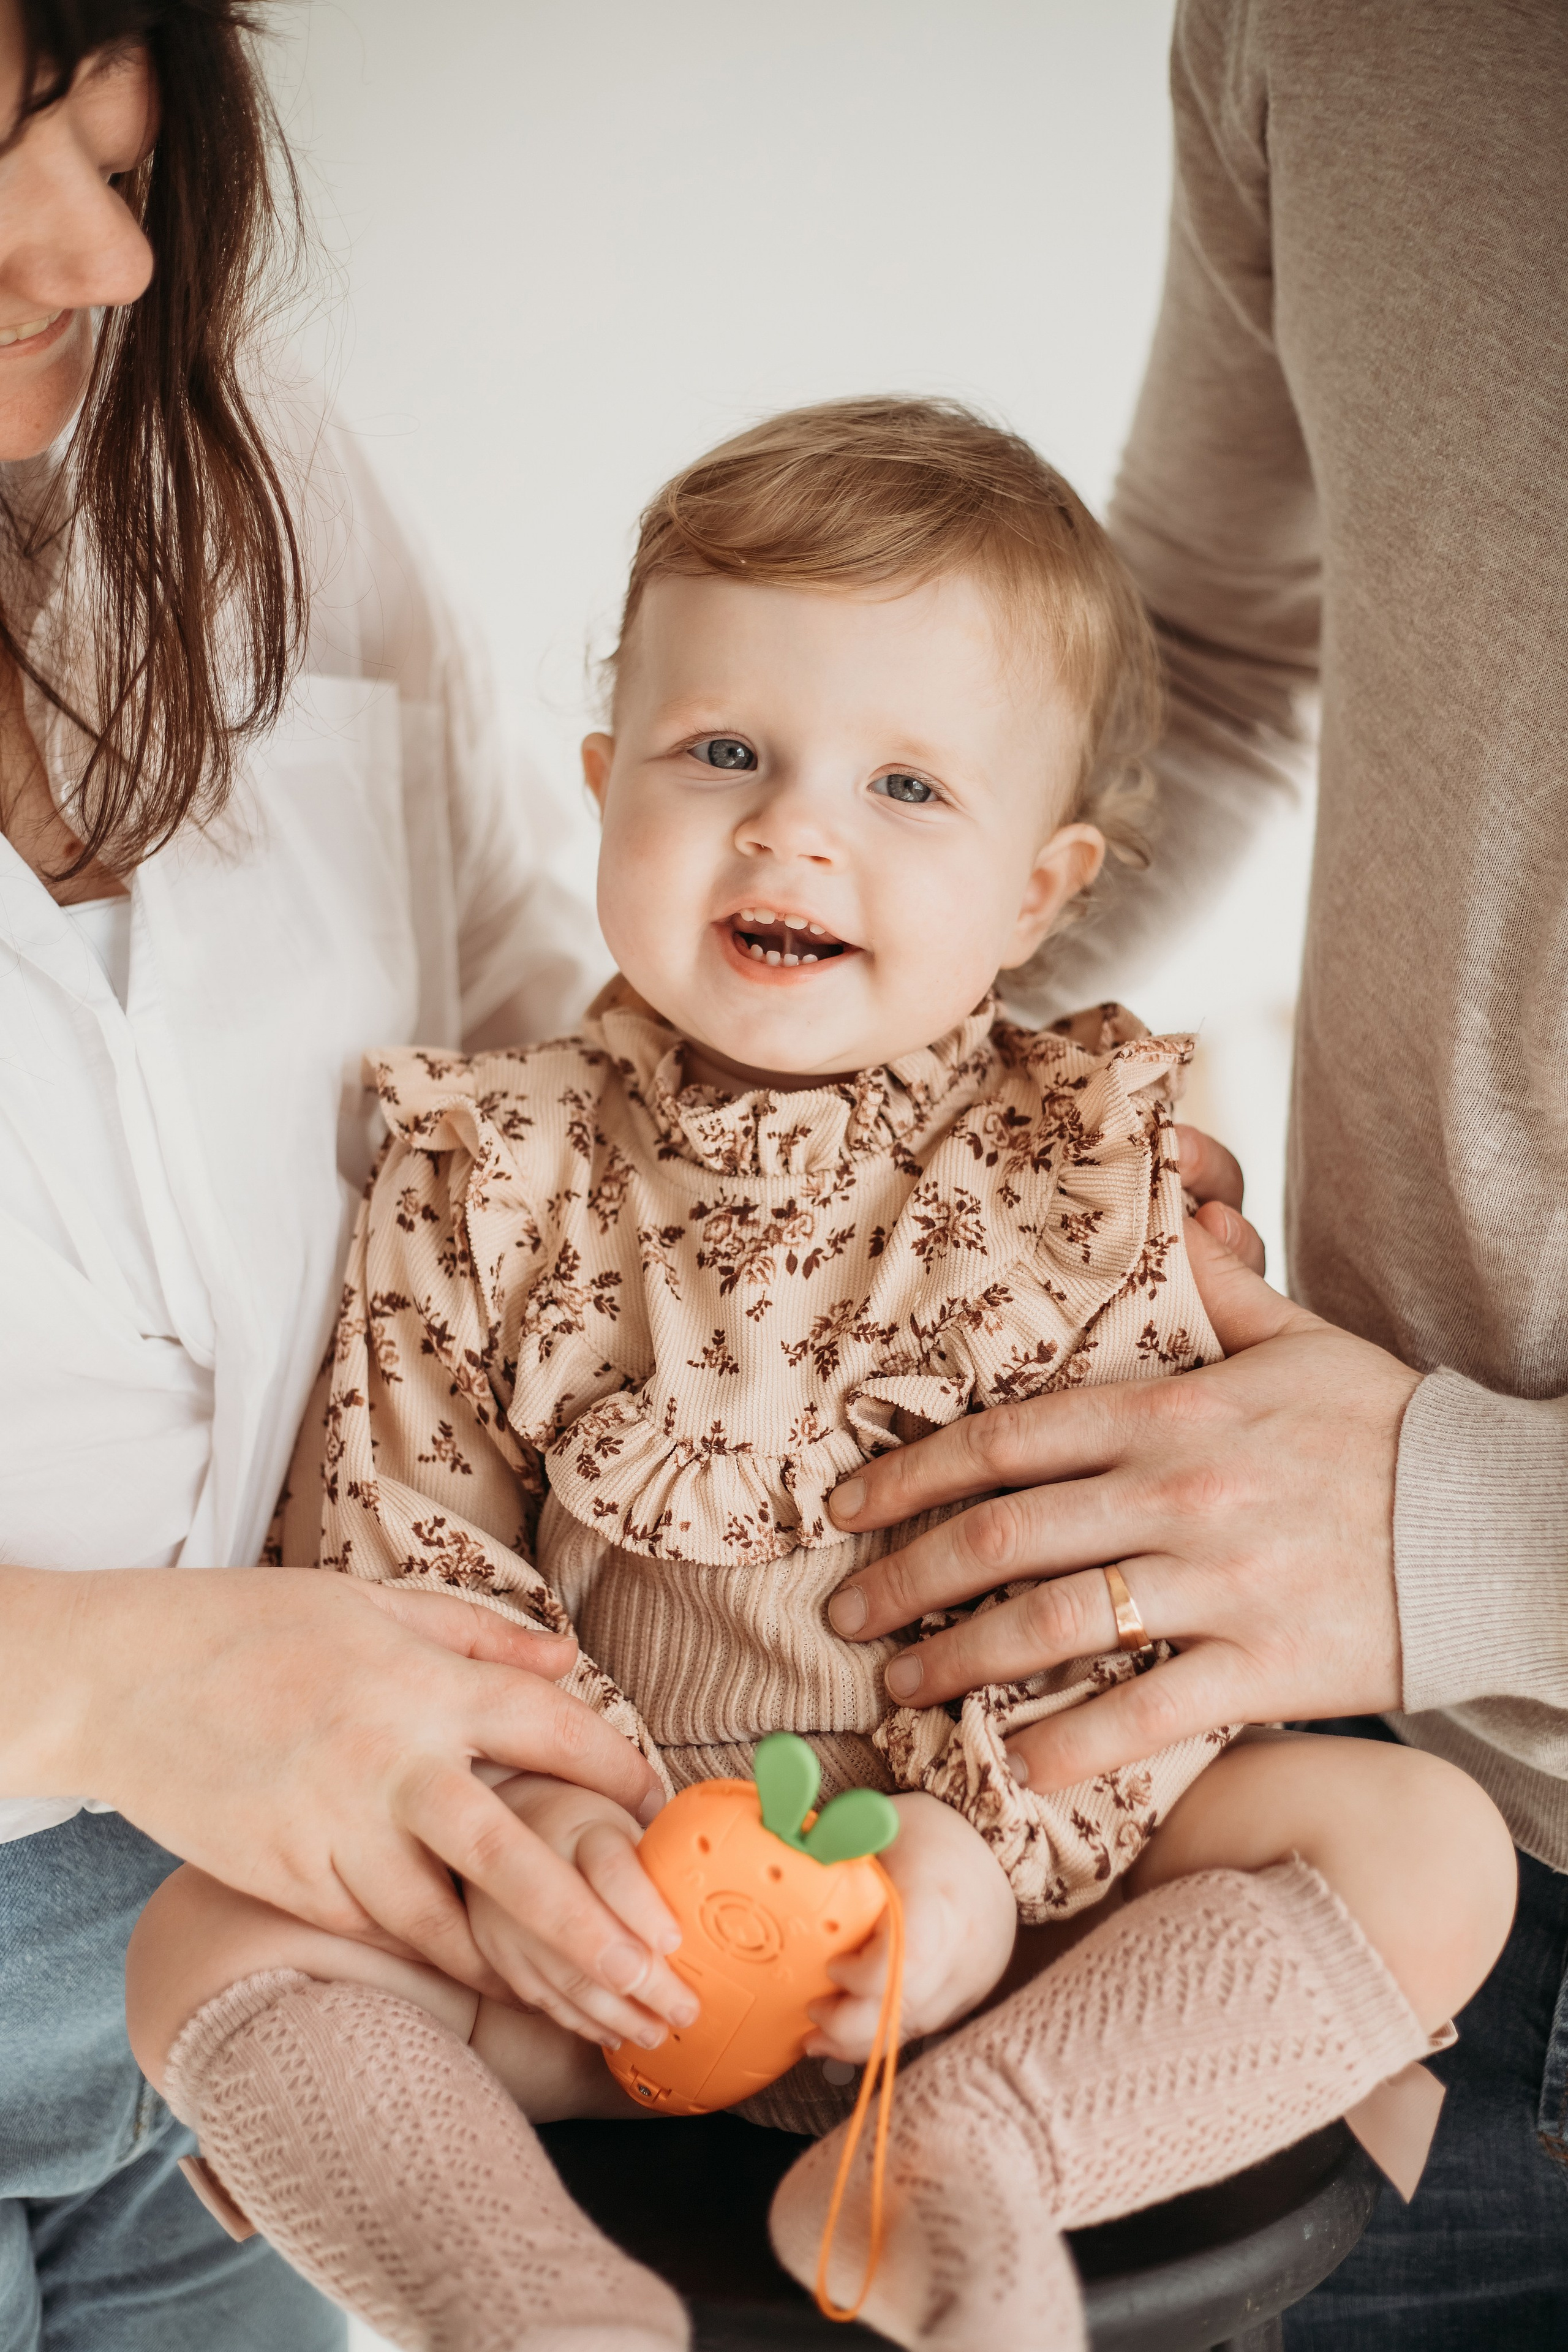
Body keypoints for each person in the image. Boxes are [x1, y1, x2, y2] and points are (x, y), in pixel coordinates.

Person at [123, 399, 1514, 2352]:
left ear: (1045, 890)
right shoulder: (485, 1159)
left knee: (1425, 1845)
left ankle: (974, 2154)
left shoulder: (1084, 1165)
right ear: (603, 787)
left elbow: (1126, 1587)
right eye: (722, 756)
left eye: (907, 789)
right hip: (599, 1937)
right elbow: (400, 1535)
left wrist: (970, 1863)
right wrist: (544, 1837)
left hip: (1008, 1920)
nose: (794, 828)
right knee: (207, 1937)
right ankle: (516, 2302)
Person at [812, 5, 1568, 2345]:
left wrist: (1471, 1536)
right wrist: (776, 1069)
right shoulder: (1326, 27)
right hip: (1386, 1850)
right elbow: (1218, 656)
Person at [0, 8, 668, 2347]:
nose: (91, 251)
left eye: (117, 154)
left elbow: (519, 1035)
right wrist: (89, 1686)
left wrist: (934, 1181)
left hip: (278, 1945)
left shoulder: (225, 440)